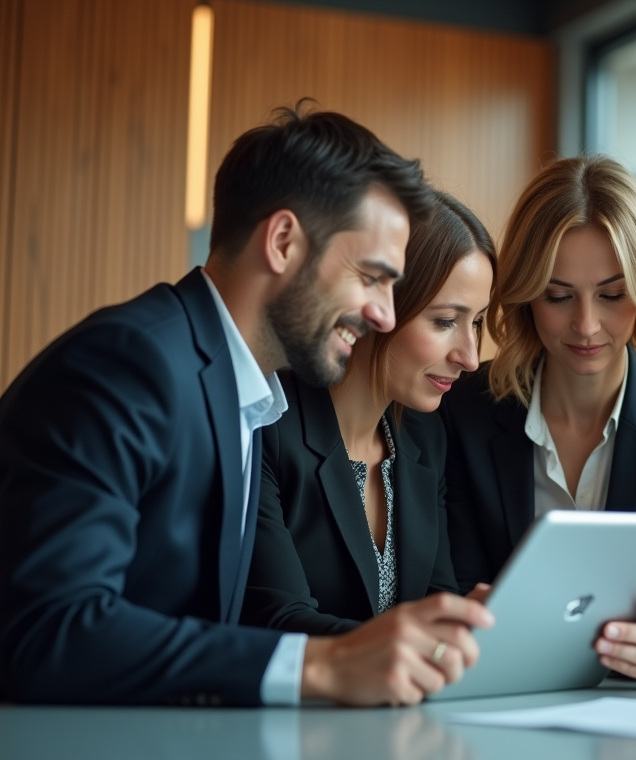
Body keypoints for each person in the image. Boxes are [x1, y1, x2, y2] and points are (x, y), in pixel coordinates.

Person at [0, 106, 492, 706]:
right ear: (283, 242)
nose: (385, 315)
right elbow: (46, 629)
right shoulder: (131, 364)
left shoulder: (245, 395)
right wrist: (323, 663)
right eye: (371, 277)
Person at [439, 156, 636, 687]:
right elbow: (455, 582)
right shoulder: (464, 408)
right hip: (492, 693)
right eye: (558, 296)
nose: (585, 325)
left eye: (612, 294)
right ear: (527, 295)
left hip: (633, 701)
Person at [241, 192, 494, 703]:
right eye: (446, 321)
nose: (470, 356)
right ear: (378, 307)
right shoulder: (268, 421)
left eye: (478, 322)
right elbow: (276, 619)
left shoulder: (423, 438)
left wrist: (469, 623)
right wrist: (419, 641)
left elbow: (434, 599)